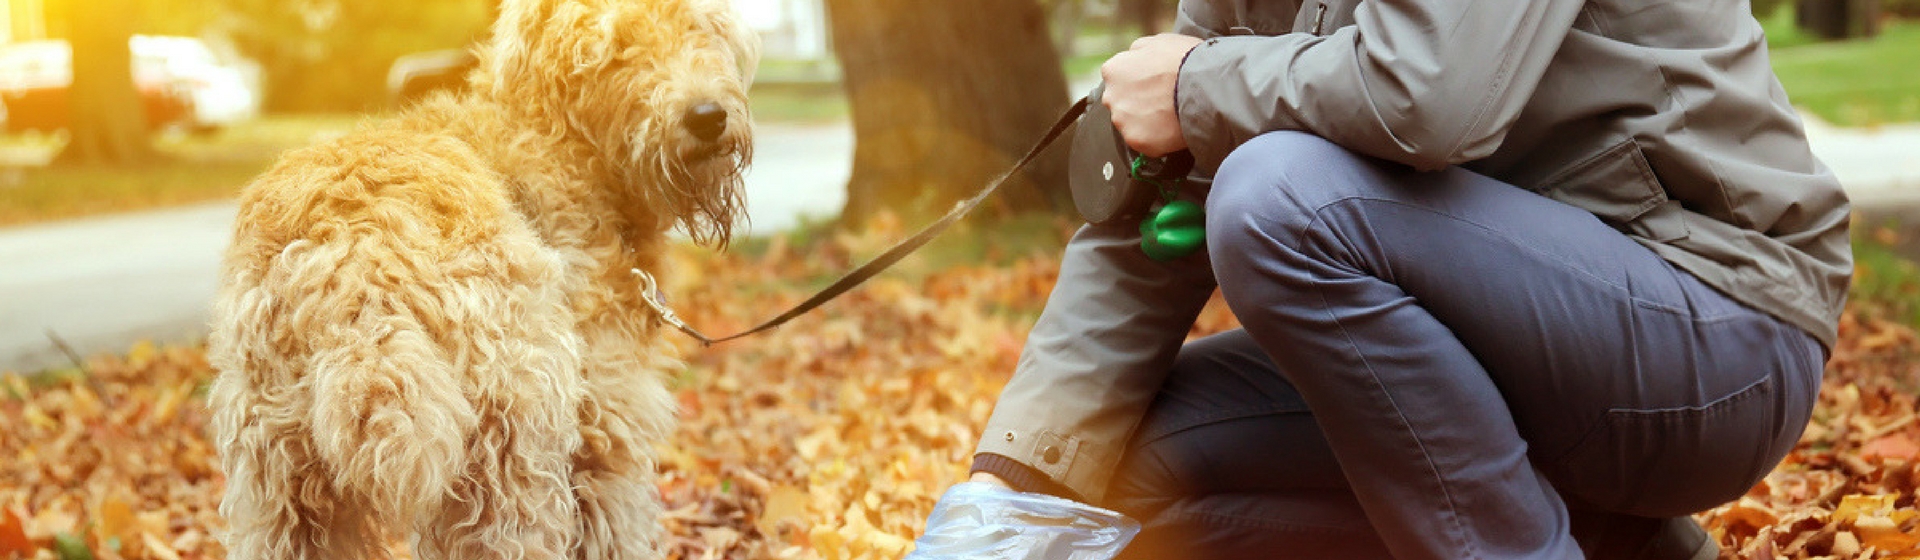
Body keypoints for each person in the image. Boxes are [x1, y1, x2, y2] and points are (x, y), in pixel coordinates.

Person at [907, 0, 1852, 558]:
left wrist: (1197, 84)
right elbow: (1156, 201)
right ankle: (1619, 547)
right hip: (1506, 349)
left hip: (1707, 330)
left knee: (1279, 199)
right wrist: (1008, 495)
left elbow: (1425, 98)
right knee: (1114, 475)